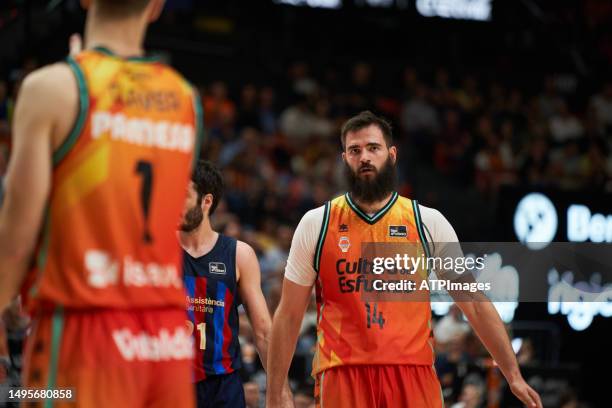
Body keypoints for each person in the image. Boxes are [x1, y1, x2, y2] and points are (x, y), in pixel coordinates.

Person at [0, 0, 203, 406]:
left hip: (83, 336)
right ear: (157, 7)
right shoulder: (185, 98)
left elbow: (15, 241)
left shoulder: (52, 88)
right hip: (165, 343)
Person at [266, 111, 542, 408]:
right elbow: (289, 314)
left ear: (392, 154)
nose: (364, 157)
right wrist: (275, 393)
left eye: (373, 148)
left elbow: (473, 303)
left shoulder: (428, 222)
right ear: (344, 158)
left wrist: (512, 373)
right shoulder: (317, 224)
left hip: (413, 375)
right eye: (355, 150)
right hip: (343, 374)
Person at [180, 160, 292, 408]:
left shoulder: (239, 254)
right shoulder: (158, 251)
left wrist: (282, 396)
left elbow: (263, 332)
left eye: (183, 195)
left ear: (206, 201)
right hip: (170, 381)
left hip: (222, 387)